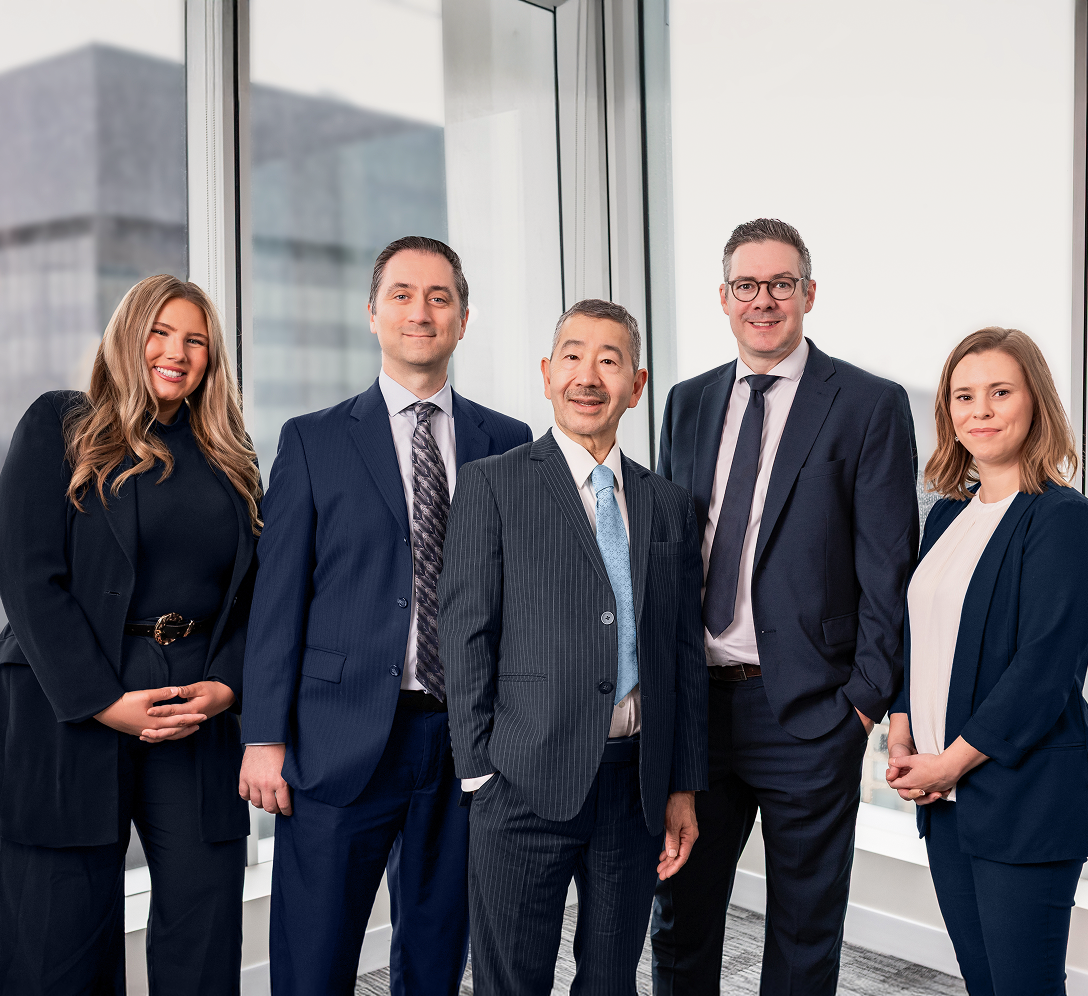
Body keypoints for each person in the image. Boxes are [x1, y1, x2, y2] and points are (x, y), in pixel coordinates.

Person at [237, 236, 532, 995]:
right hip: (337, 739)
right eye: (401, 295)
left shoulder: (508, 442)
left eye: (439, 297)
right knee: (314, 960)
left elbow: (520, 600)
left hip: (464, 742)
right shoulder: (313, 439)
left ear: (462, 318)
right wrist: (263, 737)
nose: (420, 312)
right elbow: (277, 601)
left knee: (436, 957)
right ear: (372, 314)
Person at [651, 218, 919, 995]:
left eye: (780, 284)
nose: (762, 300)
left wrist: (861, 705)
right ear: (723, 297)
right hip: (699, 711)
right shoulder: (688, 402)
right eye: (747, 285)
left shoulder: (867, 404)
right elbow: (672, 555)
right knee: (681, 920)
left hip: (808, 709)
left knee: (803, 934)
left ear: (808, 293)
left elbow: (888, 567)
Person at [0, 274, 262, 995]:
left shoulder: (229, 454)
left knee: (204, 920)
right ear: (126, 336)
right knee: (57, 938)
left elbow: (256, 593)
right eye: (160, 333)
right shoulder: (61, 424)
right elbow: (27, 578)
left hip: (194, 710)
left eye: (196, 341)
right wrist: (103, 701)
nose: (176, 352)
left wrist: (226, 685)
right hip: (71, 706)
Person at [439, 298, 708, 995]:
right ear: (547, 374)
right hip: (521, 782)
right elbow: (465, 634)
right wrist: (479, 773)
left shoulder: (667, 503)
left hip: (634, 786)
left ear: (636, 386)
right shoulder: (494, 484)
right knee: (511, 981)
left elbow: (682, 654)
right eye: (572, 356)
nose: (588, 376)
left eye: (609, 361)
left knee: (612, 981)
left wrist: (681, 785)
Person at [886, 327, 1088, 996]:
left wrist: (950, 762)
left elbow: (1045, 671)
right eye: (964, 396)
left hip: (1022, 797)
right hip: (947, 799)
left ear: (1035, 401)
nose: (981, 411)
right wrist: (902, 729)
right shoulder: (947, 516)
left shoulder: (1062, 518)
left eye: (1000, 392)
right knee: (984, 982)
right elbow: (922, 637)